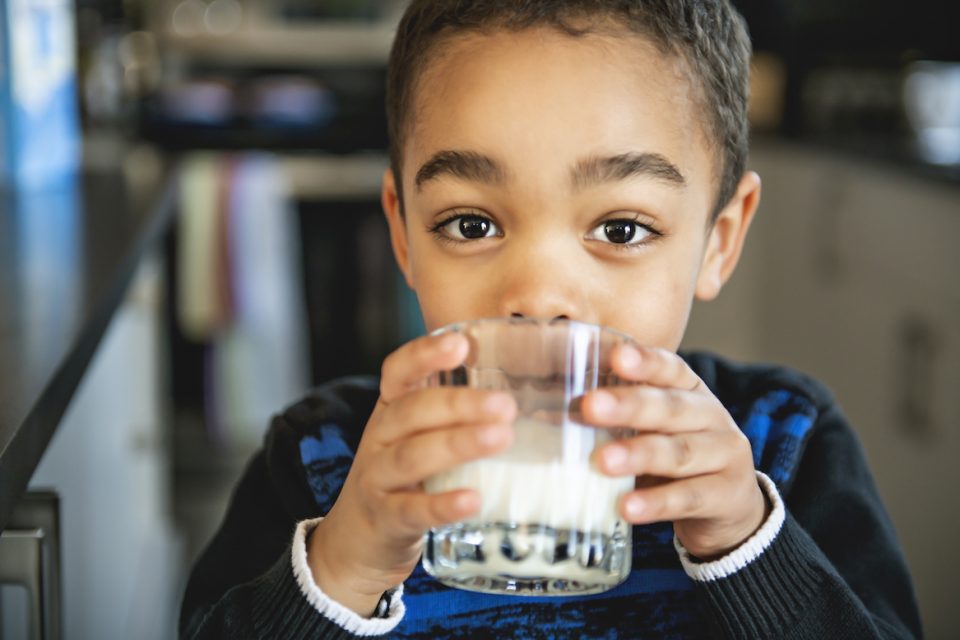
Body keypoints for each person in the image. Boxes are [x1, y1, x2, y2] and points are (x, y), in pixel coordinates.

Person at [180, 1, 922, 637]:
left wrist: (749, 546)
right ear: (403, 234)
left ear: (718, 240)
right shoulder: (323, 464)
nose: (538, 295)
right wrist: (342, 571)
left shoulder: (785, 448)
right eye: (471, 225)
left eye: (623, 229)